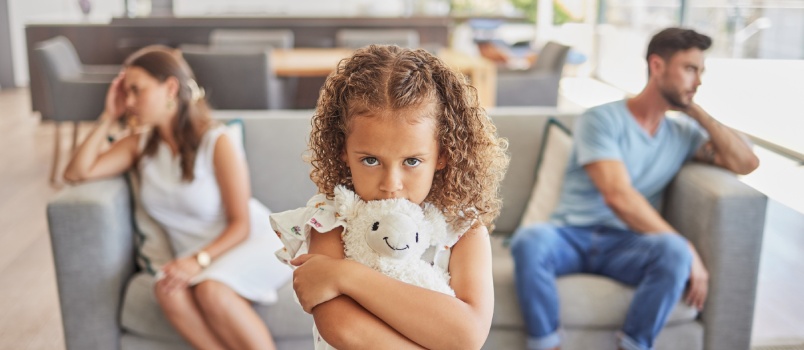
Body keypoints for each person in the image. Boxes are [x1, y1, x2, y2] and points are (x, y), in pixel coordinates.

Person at [510, 27, 760, 350]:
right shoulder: (601, 119)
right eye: (689, 69)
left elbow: (747, 162)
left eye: (700, 72)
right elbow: (618, 196)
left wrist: (695, 109)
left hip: (626, 245)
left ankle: (634, 345)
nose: (697, 81)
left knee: (671, 254)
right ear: (657, 66)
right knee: (529, 241)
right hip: (570, 234)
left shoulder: (682, 135)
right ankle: (547, 345)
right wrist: (685, 244)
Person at [270, 44, 510, 349]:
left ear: (443, 155)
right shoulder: (331, 219)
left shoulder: (463, 228)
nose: (391, 184)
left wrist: (346, 276)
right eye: (371, 160)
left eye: (411, 161)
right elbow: (343, 329)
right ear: (343, 151)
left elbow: (467, 335)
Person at [63, 46, 290, 350]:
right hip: (196, 254)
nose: (129, 101)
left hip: (249, 241)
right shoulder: (138, 145)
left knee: (212, 290)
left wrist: (198, 261)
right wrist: (108, 115)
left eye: (136, 90)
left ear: (170, 87)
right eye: (124, 93)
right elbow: (77, 172)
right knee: (166, 290)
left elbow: (242, 224)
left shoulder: (216, 140)